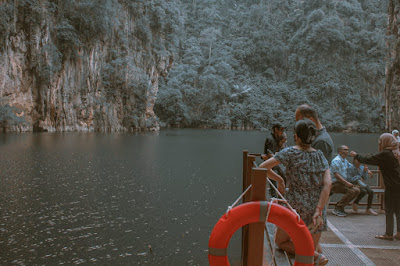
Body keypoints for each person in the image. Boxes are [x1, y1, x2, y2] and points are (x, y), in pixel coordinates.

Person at [259, 119, 332, 265]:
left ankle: (315, 255)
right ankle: (316, 255)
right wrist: (318, 210)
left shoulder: (289, 152)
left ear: (296, 136)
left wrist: (279, 179)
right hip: (316, 210)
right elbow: (327, 184)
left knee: (281, 242)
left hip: (295, 209)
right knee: (312, 248)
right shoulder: (320, 155)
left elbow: (262, 167)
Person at [350, 133, 400, 240]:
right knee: (398, 209)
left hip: (392, 186)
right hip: (398, 185)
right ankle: (399, 233)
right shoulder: (396, 152)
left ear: (385, 142)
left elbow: (370, 159)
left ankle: (389, 234)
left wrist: (356, 155)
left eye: (381, 141)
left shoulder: (386, 153)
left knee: (389, 210)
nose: (379, 143)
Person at [330, 145, 360, 217]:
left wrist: (355, 157)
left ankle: (340, 206)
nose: (347, 151)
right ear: (339, 151)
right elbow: (336, 175)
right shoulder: (336, 161)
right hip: (335, 183)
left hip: (342, 183)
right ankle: (338, 208)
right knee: (352, 191)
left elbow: (353, 167)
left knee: (357, 190)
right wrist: (347, 183)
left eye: (347, 150)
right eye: (345, 149)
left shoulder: (344, 161)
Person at [261, 123, 286, 197]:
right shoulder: (271, 139)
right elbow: (270, 155)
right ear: (276, 130)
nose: (282, 132)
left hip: (276, 165)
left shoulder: (276, 139)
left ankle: (280, 199)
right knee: (274, 184)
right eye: (281, 130)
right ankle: (274, 200)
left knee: (284, 177)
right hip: (270, 167)